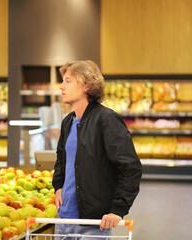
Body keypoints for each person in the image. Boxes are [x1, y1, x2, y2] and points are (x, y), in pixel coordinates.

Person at [52, 60, 142, 239]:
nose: (61, 87)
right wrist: (58, 185)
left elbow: (130, 167)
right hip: (63, 220)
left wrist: (118, 209)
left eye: (68, 81)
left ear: (86, 85)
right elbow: (62, 159)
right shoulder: (68, 121)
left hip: (92, 224)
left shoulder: (106, 119)